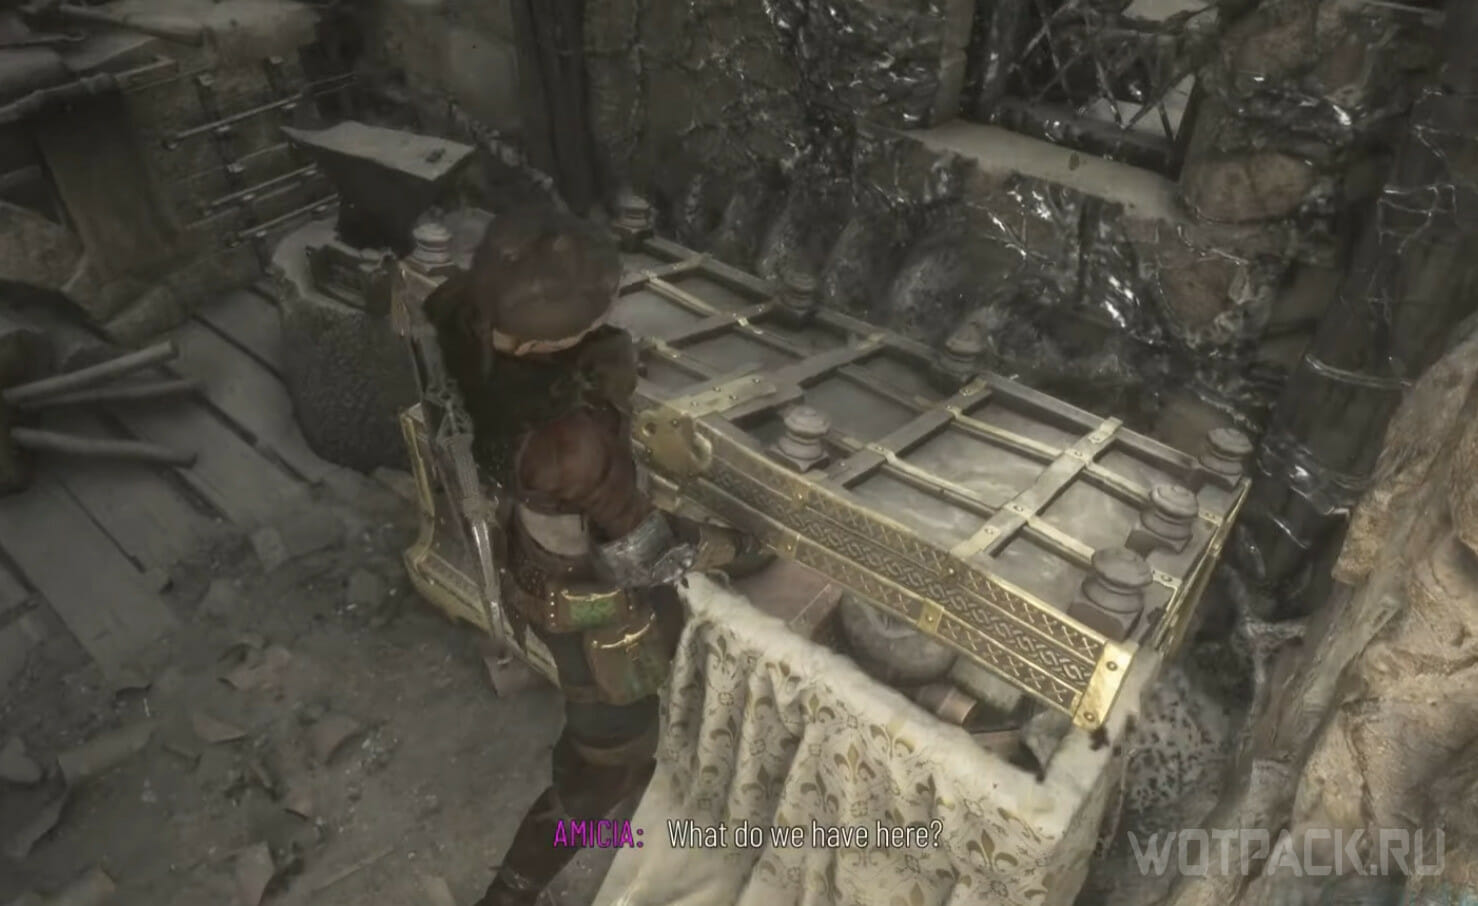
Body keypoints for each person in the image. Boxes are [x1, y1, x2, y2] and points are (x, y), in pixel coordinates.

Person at [424, 206, 767, 906]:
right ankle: (514, 890)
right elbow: (645, 556)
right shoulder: (572, 445)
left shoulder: (461, 317)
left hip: (530, 557)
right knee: (602, 767)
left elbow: (452, 299)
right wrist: (737, 547)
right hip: (592, 611)